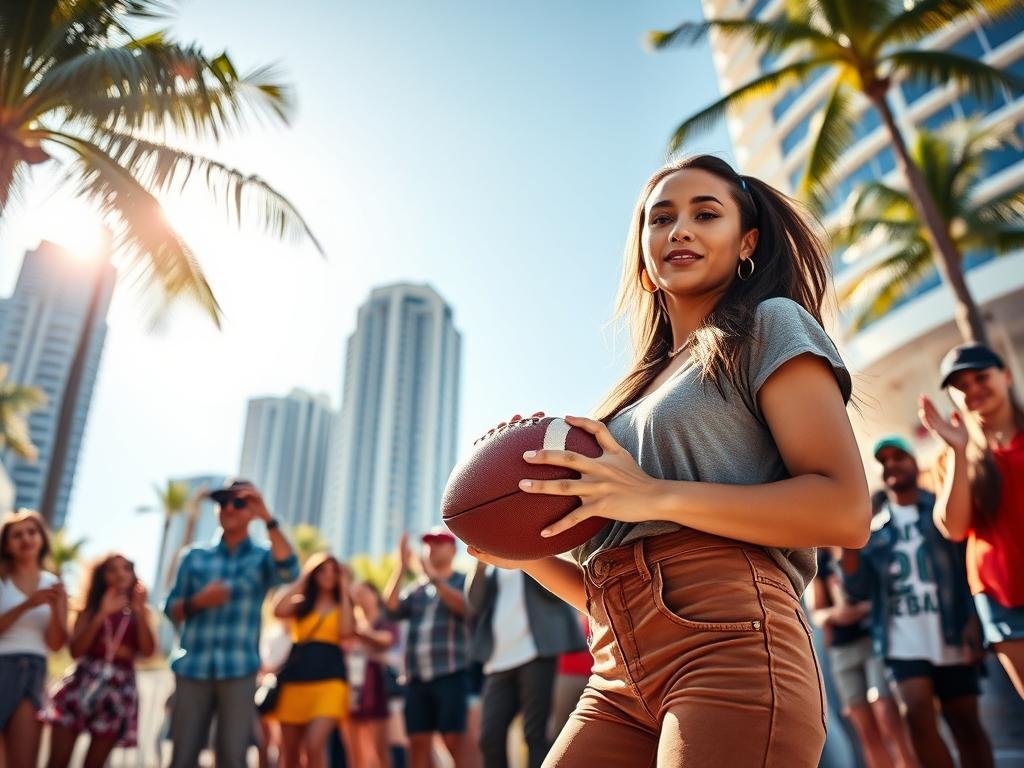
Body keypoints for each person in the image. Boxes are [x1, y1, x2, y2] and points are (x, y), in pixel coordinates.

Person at [469, 155, 871, 766]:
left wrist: (652, 494)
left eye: (705, 214)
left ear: (747, 242)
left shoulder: (769, 325)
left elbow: (845, 510)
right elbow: (604, 586)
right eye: (661, 219)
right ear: (643, 253)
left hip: (730, 646)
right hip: (616, 666)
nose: (679, 229)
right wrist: (520, 548)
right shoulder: (623, 402)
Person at [841, 436, 993, 768]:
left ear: (915, 463)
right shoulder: (874, 529)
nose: (891, 464)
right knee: (916, 716)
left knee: (965, 723)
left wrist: (973, 618)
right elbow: (858, 589)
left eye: (899, 456)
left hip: (952, 630)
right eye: (884, 461)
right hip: (902, 639)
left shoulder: (941, 511)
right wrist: (846, 546)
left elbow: (966, 566)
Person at [163, 479, 299, 768]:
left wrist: (268, 518)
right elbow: (170, 609)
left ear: (252, 511)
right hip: (192, 668)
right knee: (182, 758)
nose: (229, 508)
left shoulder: (263, 557)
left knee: (232, 758)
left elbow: (290, 570)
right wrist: (199, 602)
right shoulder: (193, 557)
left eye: (239, 502)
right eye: (222, 501)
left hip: (240, 671)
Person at [919, 342, 1024, 699]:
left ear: (1005, 375)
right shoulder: (950, 457)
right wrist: (958, 451)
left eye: (981, 377)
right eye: (961, 386)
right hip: (1001, 597)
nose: (973, 389)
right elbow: (954, 528)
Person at [466, 559, 586, 768]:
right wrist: (480, 566)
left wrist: (527, 557)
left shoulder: (531, 554)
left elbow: (556, 593)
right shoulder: (490, 568)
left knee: (534, 734)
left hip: (536, 655)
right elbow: (474, 603)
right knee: (489, 737)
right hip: (498, 661)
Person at [42, 553, 156, 768]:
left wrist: (140, 611)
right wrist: (101, 614)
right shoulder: (90, 610)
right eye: (112, 569)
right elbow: (76, 651)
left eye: (126, 568)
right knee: (57, 761)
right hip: (82, 683)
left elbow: (148, 652)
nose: (121, 574)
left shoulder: (139, 613)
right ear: (101, 577)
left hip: (118, 690)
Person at [807, 547, 917, 768]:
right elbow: (817, 613)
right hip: (841, 650)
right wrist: (838, 614)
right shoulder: (819, 561)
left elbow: (885, 593)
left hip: (874, 641)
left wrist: (864, 609)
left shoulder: (866, 549)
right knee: (865, 730)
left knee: (888, 716)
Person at [385, 527, 471, 768]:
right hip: (415, 679)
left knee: (454, 741)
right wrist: (401, 567)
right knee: (417, 743)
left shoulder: (463, 580)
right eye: (428, 543)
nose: (432, 547)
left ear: (453, 550)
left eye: (439, 542)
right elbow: (390, 609)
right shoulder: (416, 589)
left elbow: (465, 608)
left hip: (451, 673)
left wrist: (434, 578)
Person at [271, 552, 355, 768]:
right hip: (295, 681)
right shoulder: (301, 604)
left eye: (334, 571)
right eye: (322, 570)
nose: (328, 575)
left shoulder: (343, 606)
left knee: (314, 744)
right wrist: (303, 577)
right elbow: (277, 610)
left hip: (330, 683)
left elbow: (347, 632)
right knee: (289, 753)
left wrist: (345, 589)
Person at [0, 509, 68, 768]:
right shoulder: (2, 579)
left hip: (34, 671)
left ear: (42, 538)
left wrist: (56, 610)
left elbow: (56, 645)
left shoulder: (54, 584)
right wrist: (28, 604)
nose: (26, 539)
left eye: (32, 532)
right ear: (7, 545)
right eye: (17, 535)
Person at [347, 580, 399, 768]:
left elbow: (387, 641)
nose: (360, 597)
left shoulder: (384, 621)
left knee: (380, 751)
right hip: (353, 691)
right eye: (356, 594)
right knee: (356, 753)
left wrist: (360, 633)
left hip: (379, 689)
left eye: (364, 592)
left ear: (375, 595)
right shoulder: (350, 623)